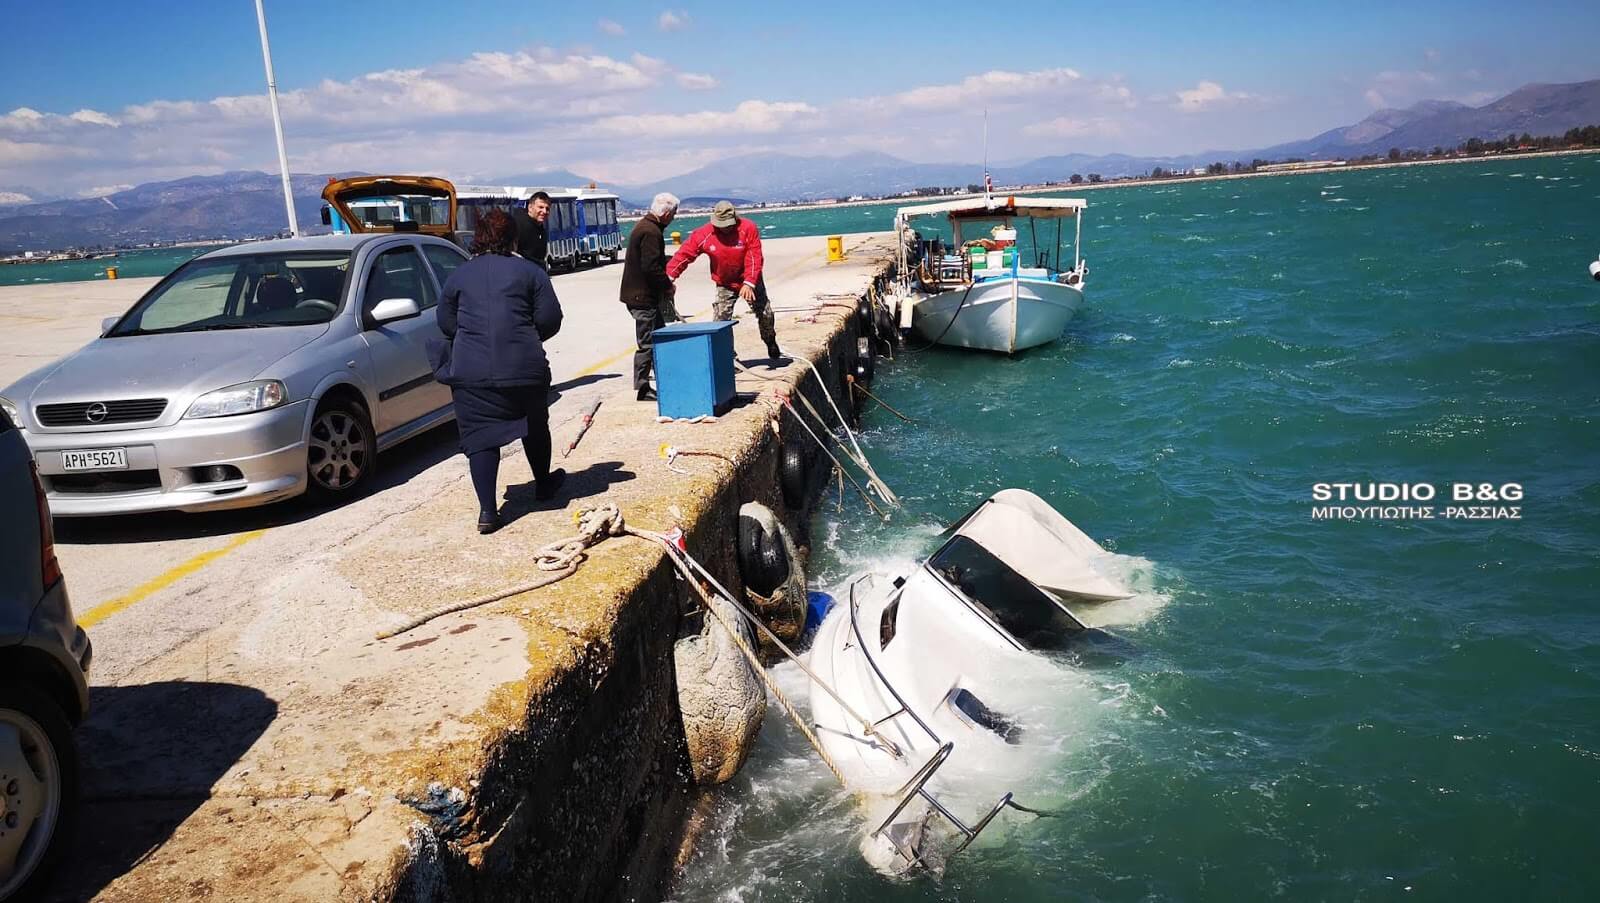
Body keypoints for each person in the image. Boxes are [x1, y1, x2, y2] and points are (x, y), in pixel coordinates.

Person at [431, 208, 564, 534]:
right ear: (512, 238)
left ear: (478, 238)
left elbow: (445, 323)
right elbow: (550, 319)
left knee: (480, 438)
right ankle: (544, 485)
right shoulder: (531, 272)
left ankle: (488, 511)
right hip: (524, 369)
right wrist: (525, 335)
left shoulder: (459, 276)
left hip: (471, 374)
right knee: (535, 424)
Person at [667, 200, 782, 359]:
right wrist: (669, 276)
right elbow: (684, 255)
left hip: (749, 280)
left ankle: (770, 340)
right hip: (725, 282)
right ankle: (728, 356)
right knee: (720, 320)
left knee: (765, 313)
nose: (725, 228)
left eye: (728, 225)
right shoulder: (703, 234)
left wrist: (749, 282)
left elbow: (754, 257)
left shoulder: (748, 228)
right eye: (721, 225)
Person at [618, 192, 680, 401]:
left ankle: (665, 378)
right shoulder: (651, 231)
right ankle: (642, 387)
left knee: (659, 336)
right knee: (648, 342)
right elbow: (651, 267)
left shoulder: (646, 226)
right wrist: (667, 286)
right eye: (673, 213)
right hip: (641, 297)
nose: (674, 218)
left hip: (640, 295)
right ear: (666, 213)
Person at [510, 190, 551, 268]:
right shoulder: (518, 224)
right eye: (540, 207)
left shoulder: (539, 227)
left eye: (547, 208)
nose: (544, 211)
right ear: (530, 207)